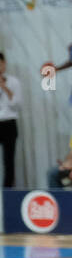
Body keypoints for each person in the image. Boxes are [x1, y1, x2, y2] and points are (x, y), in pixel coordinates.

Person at [0, 53, 20, 187]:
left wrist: (4, 87)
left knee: (9, 160)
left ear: (5, 63)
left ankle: (7, 191)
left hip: (9, 123)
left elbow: (17, 104)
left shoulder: (13, 81)